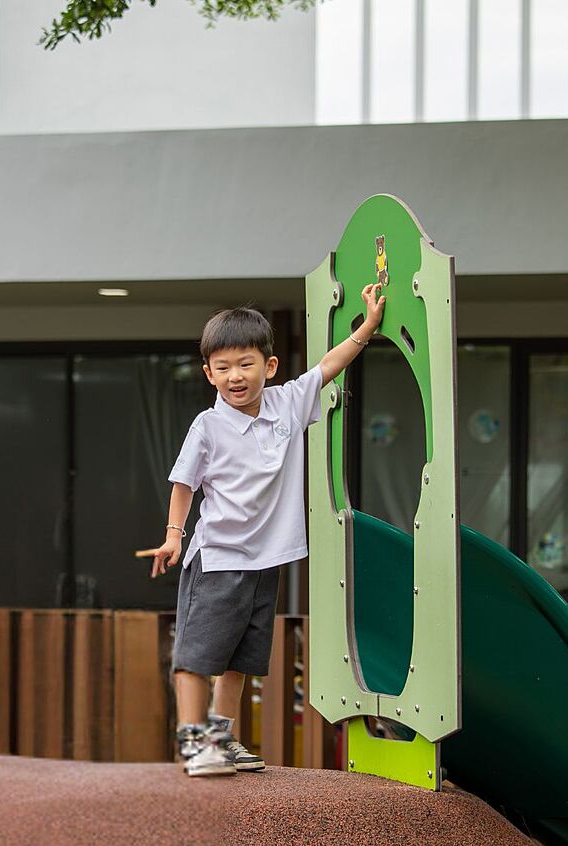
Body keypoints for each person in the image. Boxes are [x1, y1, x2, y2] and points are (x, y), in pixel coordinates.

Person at [150, 283, 385, 777]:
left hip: (265, 561)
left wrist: (367, 326)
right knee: (197, 654)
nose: (235, 376)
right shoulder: (207, 427)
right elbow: (183, 484)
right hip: (218, 558)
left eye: (245, 363)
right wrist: (175, 534)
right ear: (209, 374)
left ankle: (221, 735)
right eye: (223, 367)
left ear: (269, 366)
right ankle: (194, 743)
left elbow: (329, 365)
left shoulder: (287, 404)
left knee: (241, 658)